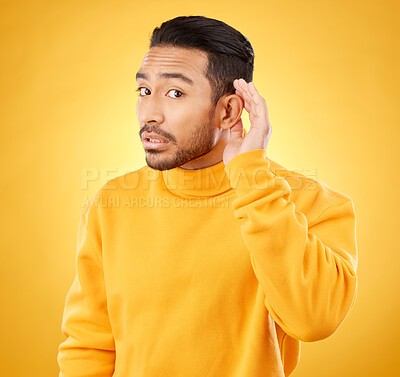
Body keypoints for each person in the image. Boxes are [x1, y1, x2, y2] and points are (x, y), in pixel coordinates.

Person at [57, 15, 358, 377]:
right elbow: (88, 346)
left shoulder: (311, 204)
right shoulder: (111, 203)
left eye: (175, 93)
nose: (150, 113)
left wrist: (251, 178)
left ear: (229, 110)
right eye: (143, 91)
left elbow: (315, 320)